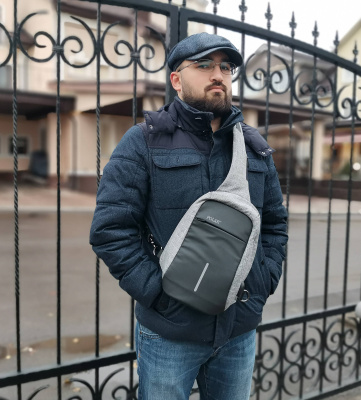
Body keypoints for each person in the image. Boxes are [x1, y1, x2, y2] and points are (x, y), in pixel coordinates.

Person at [90, 32, 288, 400]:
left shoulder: (255, 147)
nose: (218, 74)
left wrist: (264, 281)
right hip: (169, 333)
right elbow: (110, 230)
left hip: (238, 330)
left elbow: (275, 223)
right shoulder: (143, 141)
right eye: (204, 65)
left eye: (225, 67)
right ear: (176, 80)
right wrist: (159, 295)